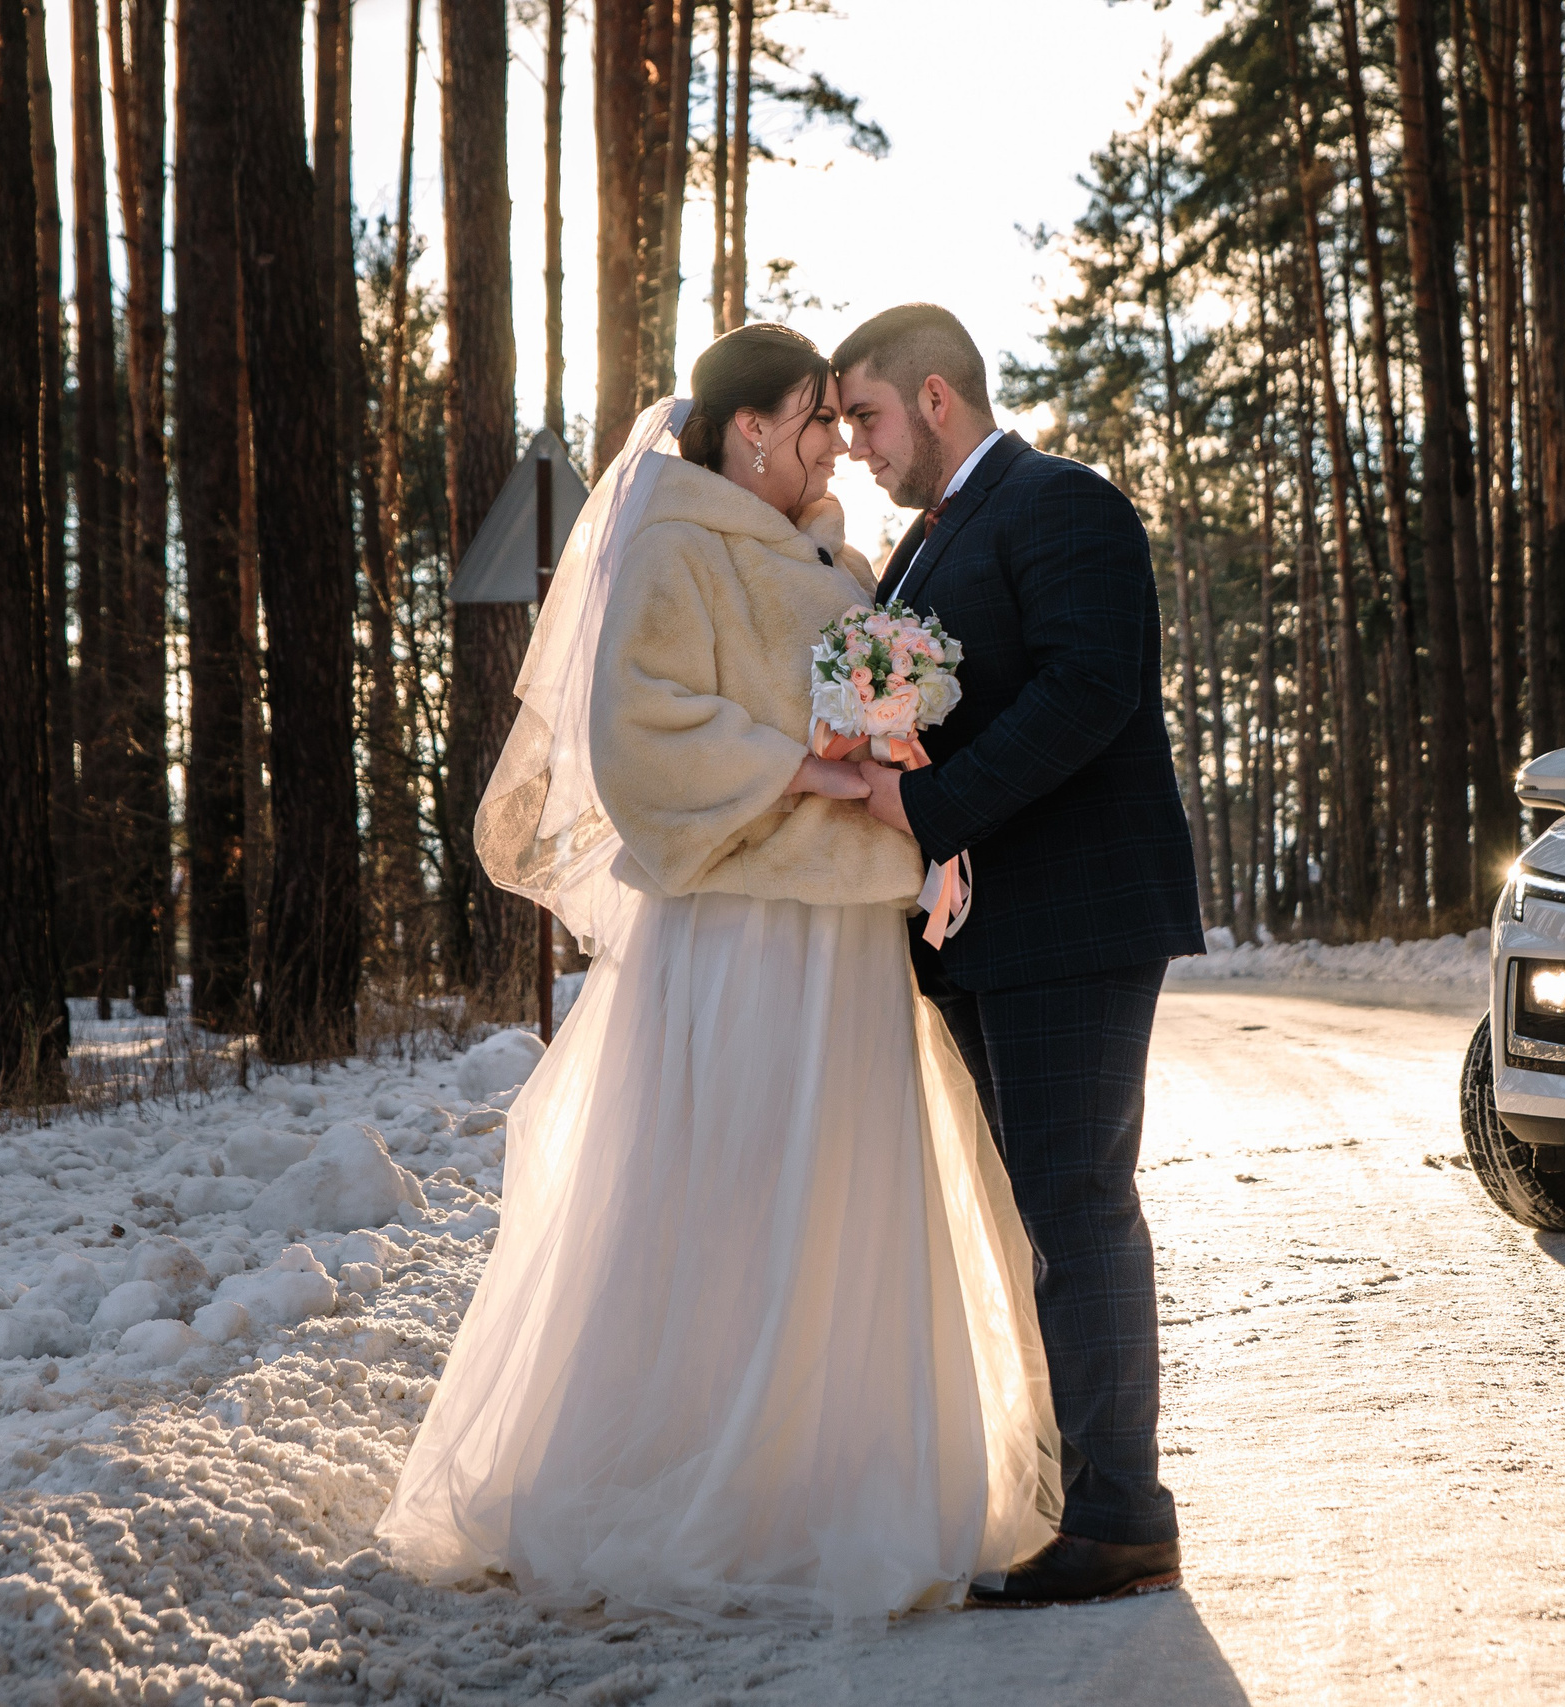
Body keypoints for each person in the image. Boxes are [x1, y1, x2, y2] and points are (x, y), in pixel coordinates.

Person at [373, 323, 1059, 1623]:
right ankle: (698, 1476)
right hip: (742, 933)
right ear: (752, 430)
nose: (835, 445)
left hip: (848, 935)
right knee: (736, 1195)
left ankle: (842, 1475)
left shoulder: (840, 560)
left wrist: (902, 768)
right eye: (815, 420)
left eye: (841, 421)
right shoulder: (672, 544)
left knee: (847, 1194)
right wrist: (802, 768)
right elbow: (641, 733)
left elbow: (881, 719)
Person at [835, 303, 1207, 1607]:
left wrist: (928, 806)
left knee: (1077, 1204)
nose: (859, 446)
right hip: (980, 932)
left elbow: (1087, 690)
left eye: (869, 417)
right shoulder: (922, 547)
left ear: (937, 397)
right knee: (1036, 1214)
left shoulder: (1064, 504)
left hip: (1075, 920)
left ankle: (1120, 1516)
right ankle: (1067, 1488)